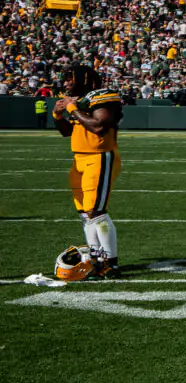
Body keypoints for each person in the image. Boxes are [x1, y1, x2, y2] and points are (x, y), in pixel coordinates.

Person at [53, 63, 124, 278]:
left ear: (82, 79)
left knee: (96, 211)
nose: (65, 83)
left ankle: (110, 262)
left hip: (99, 156)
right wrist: (58, 115)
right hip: (80, 158)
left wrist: (73, 108)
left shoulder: (103, 96)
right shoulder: (77, 101)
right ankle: (96, 258)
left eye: (69, 78)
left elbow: (99, 126)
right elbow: (67, 132)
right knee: (85, 213)